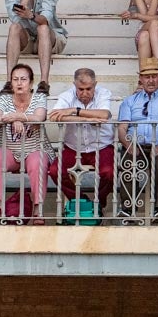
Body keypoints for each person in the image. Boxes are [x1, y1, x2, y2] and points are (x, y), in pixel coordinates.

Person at [0, 63, 52, 222]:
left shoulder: (39, 98)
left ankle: (38, 209)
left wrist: (19, 117)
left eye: (23, 79)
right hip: (10, 150)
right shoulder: (5, 99)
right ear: (11, 82)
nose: (19, 83)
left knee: (38, 162)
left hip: (34, 149)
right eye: (15, 79)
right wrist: (13, 116)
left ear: (31, 83)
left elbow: (39, 117)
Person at [117, 58, 158, 221]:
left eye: (154, 76)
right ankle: (128, 208)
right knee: (128, 160)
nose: (151, 80)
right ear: (141, 79)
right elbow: (122, 128)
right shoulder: (129, 101)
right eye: (147, 76)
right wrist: (128, 145)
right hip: (134, 144)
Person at [47, 69, 116, 214]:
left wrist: (74, 111)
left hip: (101, 146)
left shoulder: (103, 93)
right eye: (81, 89)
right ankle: (81, 200)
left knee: (109, 173)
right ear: (74, 85)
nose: (85, 93)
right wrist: (85, 119)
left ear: (95, 85)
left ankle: (99, 200)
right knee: (55, 171)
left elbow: (104, 115)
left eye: (89, 89)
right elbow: (54, 116)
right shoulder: (67, 95)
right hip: (74, 147)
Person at [4, 0, 67, 95]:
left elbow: (45, 19)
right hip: (26, 40)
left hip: (48, 39)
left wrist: (31, 15)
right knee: (14, 27)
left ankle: (44, 82)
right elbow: (15, 18)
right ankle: (9, 82)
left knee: (43, 28)